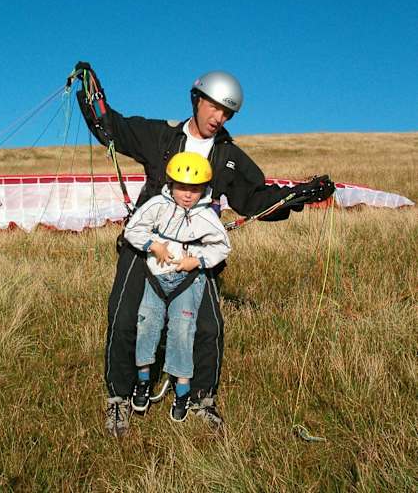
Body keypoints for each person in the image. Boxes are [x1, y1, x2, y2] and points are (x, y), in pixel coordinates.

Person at [74, 62, 335, 437]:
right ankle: (120, 398)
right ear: (196, 100)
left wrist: (296, 195)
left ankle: (201, 400)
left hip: (197, 252)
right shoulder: (159, 137)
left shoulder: (230, 156)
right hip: (149, 243)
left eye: (227, 112)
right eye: (214, 107)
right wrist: (92, 97)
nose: (219, 117)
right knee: (125, 314)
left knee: (209, 326)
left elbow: (253, 199)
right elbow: (111, 127)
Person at [124, 152, 230, 422]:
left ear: (203, 189)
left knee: (182, 332)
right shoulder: (157, 205)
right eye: (182, 187)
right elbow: (133, 229)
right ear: (171, 184)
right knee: (147, 325)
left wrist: (197, 260)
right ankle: (143, 381)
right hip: (155, 279)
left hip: (188, 282)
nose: (187, 195)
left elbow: (222, 246)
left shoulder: (206, 216)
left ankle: (182, 391)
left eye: (194, 189)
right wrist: (153, 245)